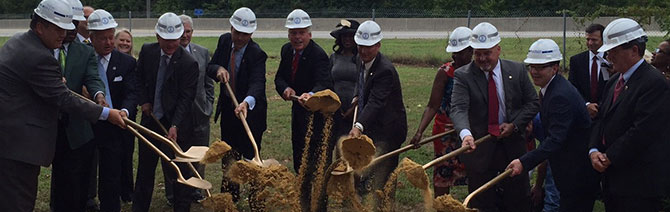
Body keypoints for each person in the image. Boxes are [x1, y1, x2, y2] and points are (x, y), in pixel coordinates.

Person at [0, 0, 125, 210]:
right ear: (40, 27)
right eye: (58, 29)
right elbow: (63, 98)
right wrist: (106, 113)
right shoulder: (39, 56)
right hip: (17, 148)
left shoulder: (19, 42)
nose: (64, 34)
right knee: (18, 203)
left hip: (10, 141)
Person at [450, 22, 539, 212]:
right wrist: (465, 134)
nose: (482, 58)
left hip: (513, 148)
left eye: (487, 53)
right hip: (480, 150)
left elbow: (533, 102)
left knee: (517, 200)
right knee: (482, 201)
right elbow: (458, 108)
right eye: (477, 53)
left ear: (498, 49)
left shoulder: (517, 71)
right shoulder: (463, 76)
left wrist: (514, 125)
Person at [588, 18, 670, 212]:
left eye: (614, 51)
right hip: (614, 180)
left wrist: (609, 157)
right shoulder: (615, 80)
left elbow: (642, 131)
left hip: (638, 185)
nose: (609, 56)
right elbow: (602, 118)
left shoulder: (654, 83)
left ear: (634, 50)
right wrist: (593, 150)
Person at [507, 39, 599, 211]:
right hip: (569, 172)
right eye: (532, 67)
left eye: (540, 67)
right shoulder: (551, 89)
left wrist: (523, 162)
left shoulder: (559, 96)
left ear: (555, 68)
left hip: (577, 175)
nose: (534, 71)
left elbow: (555, 139)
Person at [133, 12, 199, 212]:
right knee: (145, 169)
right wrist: (144, 100)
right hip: (151, 121)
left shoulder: (189, 63)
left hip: (177, 126)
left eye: (175, 40)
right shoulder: (148, 52)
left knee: (179, 173)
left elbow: (185, 99)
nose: (171, 45)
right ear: (157, 37)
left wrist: (175, 125)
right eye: (166, 40)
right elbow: (138, 78)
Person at [49, 1, 109, 211]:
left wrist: (98, 94)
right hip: (45, 126)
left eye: (77, 25)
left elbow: (92, 78)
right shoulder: (42, 48)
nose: (73, 30)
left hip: (75, 127)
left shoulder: (85, 52)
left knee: (74, 180)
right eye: (69, 25)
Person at [206, 7, 267, 207]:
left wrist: (246, 102)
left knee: (251, 162)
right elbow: (210, 67)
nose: (240, 37)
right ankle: (230, 201)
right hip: (229, 115)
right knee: (229, 159)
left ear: (252, 33)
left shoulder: (257, 54)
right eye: (237, 32)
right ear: (231, 28)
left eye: (245, 34)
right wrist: (219, 69)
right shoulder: (224, 41)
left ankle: (256, 203)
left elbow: (257, 84)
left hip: (251, 115)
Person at [273, 9, 332, 211]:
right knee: (301, 162)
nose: (297, 37)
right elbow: (280, 78)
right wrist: (285, 89)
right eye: (293, 33)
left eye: (301, 32)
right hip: (298, 116)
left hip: (317, 118)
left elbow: (324, 81)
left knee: (318, 165)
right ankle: (304, 204)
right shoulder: (286, 51)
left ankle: (320, 206)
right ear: (288, 34)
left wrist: (311, 94)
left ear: (310, 34)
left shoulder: (319, 55)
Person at [347, 20, 408, 206]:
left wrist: (358, 126)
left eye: (369, 47)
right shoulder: (360, 59)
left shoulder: (385, 70)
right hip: (371, 129)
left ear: (378, 45)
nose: (364, 51)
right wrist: (358, 94)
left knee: (382, 182)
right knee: (363, 175)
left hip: (388, 132)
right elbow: (361, 81)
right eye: (361, 46)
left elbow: (376, 102)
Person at [409, 26, 472, 197]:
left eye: (459, 52)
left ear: (471, 51)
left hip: (470, 133)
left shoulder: (480, 73)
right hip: (445, 133)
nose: (454, 56)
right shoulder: (445, 73)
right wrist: (419, 132)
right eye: (453, 52)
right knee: (443, 173)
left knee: (475, 172)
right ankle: (441, 205)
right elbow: (432, 106)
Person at [87, 9, 140, 211]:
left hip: (115, 126)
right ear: (91, 37)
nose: (109, 43)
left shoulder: (126, 62)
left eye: (111, 37)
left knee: (111, 175)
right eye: (102, 39)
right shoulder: (84, 58)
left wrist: (125, 112)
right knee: (83, 171)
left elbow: (131, 93)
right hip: (86, 125)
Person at [162, 14, 213, 205]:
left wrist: (208, 105)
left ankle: (196, 191)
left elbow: (208, 83)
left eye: (188, 32)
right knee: (173, 156)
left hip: (199, 114)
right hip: (174, 115)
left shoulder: (202, 52)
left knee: (199, 154)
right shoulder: (167, 54)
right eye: (182, 32)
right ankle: (173, 194)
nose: (185, 36)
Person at [569, 24, 609, 119]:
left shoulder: (611, 59)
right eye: (588, 39)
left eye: (594, 40)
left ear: (603, 40)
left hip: (606, 112)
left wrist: (599, 106)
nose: (590, 43)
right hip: (583, 113)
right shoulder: (577, 61)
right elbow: (572, 87)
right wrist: (586, 105)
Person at [328, 19, 360, 140]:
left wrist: (352, 108)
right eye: (344, 36)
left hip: (355, 110)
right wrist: (333, 105)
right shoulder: (334, 57)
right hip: (336, 109)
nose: (347, 39)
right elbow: (329, 82)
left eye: (351, 36)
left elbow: (364, 84)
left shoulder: (361, 58)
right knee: (337, 143)